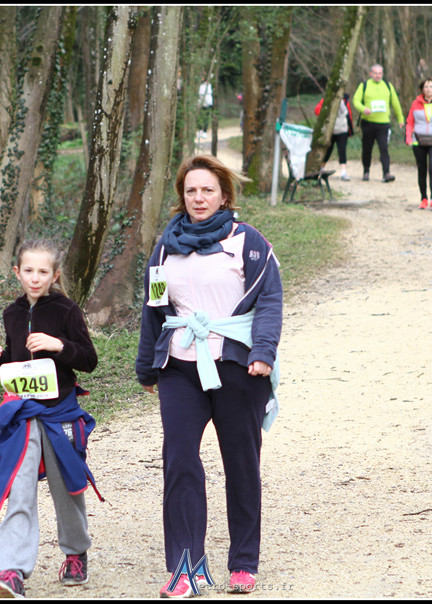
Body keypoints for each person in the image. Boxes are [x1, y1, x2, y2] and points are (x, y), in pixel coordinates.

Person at [136, 155, 282, 597]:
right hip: (180, 368)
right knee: (180, 460)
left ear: (223, 195)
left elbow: (270, 299)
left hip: (238, 366)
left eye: (207, 190)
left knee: (241, 463)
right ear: (182, 196)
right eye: (191, 191)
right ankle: (186, 567)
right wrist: (147, 366)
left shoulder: (248, 242)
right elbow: (154, 309)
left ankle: (243, 562)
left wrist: (263, 352)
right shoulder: (166, 246)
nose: (198, 198)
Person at [0, 239, 101, 598]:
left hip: (60, 412)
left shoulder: (67, 310)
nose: (35, 278)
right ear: (17, 272)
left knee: (67, 486)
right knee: (19, 487)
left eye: (43, 272)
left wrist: (58, 346)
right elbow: (17, 362)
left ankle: (76, 553)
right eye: (29, 271)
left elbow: (89, 360)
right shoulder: (12, 313)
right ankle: (11, 570)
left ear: (55, 275)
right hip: (23, 414)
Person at [353, 64, 404, 182]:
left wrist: (400, 118)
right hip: (368, 123)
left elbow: (395, 103)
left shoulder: (388, 85)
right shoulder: (364, 85)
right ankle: (366, 171)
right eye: (375, 73)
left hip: (383, 123)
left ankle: (386, 173)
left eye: (380, 73)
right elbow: (356, 101)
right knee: (367, 148)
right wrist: (363, 109)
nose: (378, 75)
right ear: (370, 74)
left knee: (384, 148)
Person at [405, 77, 432, 210]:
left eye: (431, 86)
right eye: (426, 87)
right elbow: (410, 122)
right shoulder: (415, 104)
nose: (428, 89)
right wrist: (408, 137)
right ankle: (423, 198)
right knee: (422, 169)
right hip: (418, 140)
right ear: (422, 89)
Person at [314, 92, 354, 181]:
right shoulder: (326, 100)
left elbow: (349, 116)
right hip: (330, 131)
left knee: (342, 151)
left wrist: (350, 130)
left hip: (342, 130)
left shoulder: (345, 101)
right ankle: (321, 169)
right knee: (328, 150)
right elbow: (317, 110)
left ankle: (343, 172)